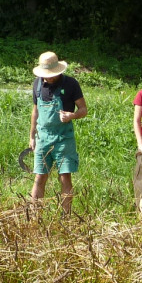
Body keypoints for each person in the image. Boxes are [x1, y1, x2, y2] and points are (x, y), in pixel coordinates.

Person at [29, 51, 87, 215]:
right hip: (43, 137)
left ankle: (66, 217)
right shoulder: (37, 84)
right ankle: (34, 217)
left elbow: (83, 109)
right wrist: (32, 136)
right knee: (40, 177)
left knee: (64, 177)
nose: (47, 78)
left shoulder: (71, 84)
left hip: (64, 138)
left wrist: (72, 115)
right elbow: (35, 112)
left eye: (50, 75)